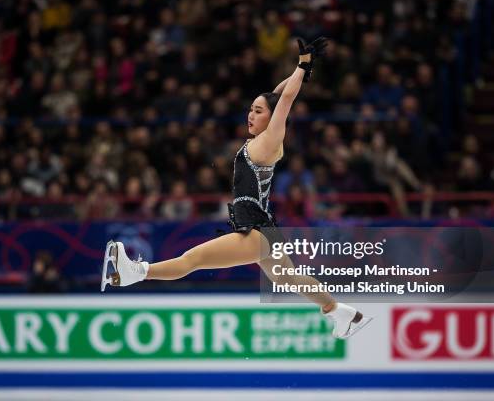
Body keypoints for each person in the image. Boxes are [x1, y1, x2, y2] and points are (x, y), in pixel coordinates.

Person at [102, 37, 371, 339]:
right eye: (250, 109)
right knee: (290, 279)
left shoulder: (270, 141)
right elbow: (278, 95)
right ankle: (341, 313)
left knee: (192, 260)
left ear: (272, 119)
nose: (250, 115)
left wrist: (302, 66)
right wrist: (300, 75)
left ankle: (134, 273)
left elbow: (284, 101)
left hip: (256, 231)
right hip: (266, 230)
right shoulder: (260, 142)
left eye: (258, 111)